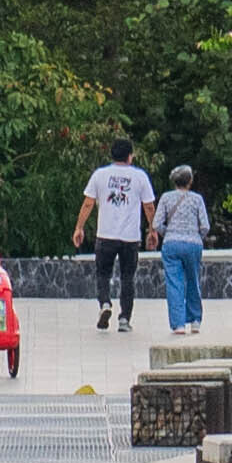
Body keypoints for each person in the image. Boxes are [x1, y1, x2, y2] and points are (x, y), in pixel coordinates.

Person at [74, 138, 153, 331]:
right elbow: (149, 206)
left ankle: (105, 304)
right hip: (130, 237)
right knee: (127, 277)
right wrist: (152, 230)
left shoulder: (100, 175)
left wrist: (79, 227)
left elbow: (88, 203)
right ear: (129, 156)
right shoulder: (139, 176)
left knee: (102, 274)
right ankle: (124, 319)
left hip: (105, 235)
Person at [153, 161, 217, 336]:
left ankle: (178, 324)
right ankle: (195, 320)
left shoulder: (166, 198)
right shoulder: (197, 199)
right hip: (193, 245)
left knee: (174, 283)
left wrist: (169, 233)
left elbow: (156, 223)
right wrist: (195, 236)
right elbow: (205, 226)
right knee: (193, 280)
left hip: (171, 244)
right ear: (190, 181)